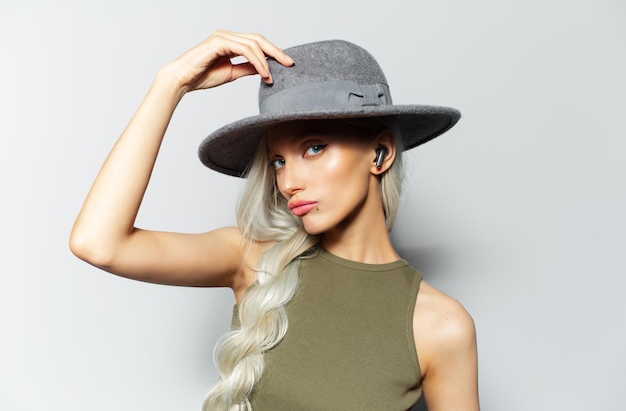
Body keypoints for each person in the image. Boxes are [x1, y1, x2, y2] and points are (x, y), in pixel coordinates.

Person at [70, 30, 479, 411]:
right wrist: (170, 84)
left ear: (380, 154)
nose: (288, 181)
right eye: (278, 161)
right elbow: (98, 243)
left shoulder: (440, 324)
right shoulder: (254, 260)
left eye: (314, 147)